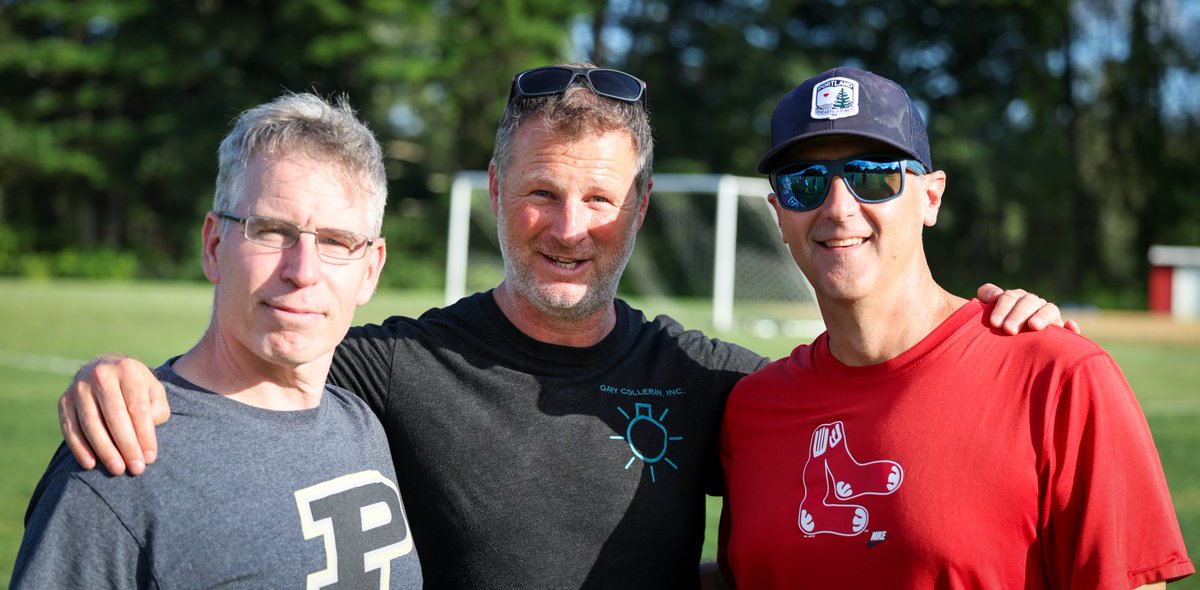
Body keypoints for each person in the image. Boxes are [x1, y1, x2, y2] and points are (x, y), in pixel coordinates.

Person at [53, 64, 1071, 588]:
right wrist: (128, 378)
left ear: (640, 208)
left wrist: (992, 332)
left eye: (600, 200)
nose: (569, 228)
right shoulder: (395, 366)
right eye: (541, 192)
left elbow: (864, 410)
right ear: (498, 192)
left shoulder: (714, 382)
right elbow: (263, 353)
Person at [718, 66, 1194, 588]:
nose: (837, 207)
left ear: (931, 197)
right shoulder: (752, 409)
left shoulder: (1059, 378)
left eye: (872, 176)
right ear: (779, 214)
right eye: (804, 183)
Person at [10, 93, 422, 588]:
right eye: (271, 231)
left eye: (336, 241)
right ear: (213, 245)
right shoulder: (120, 464)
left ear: (370, 270)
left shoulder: (364, 424)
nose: (303, 271)